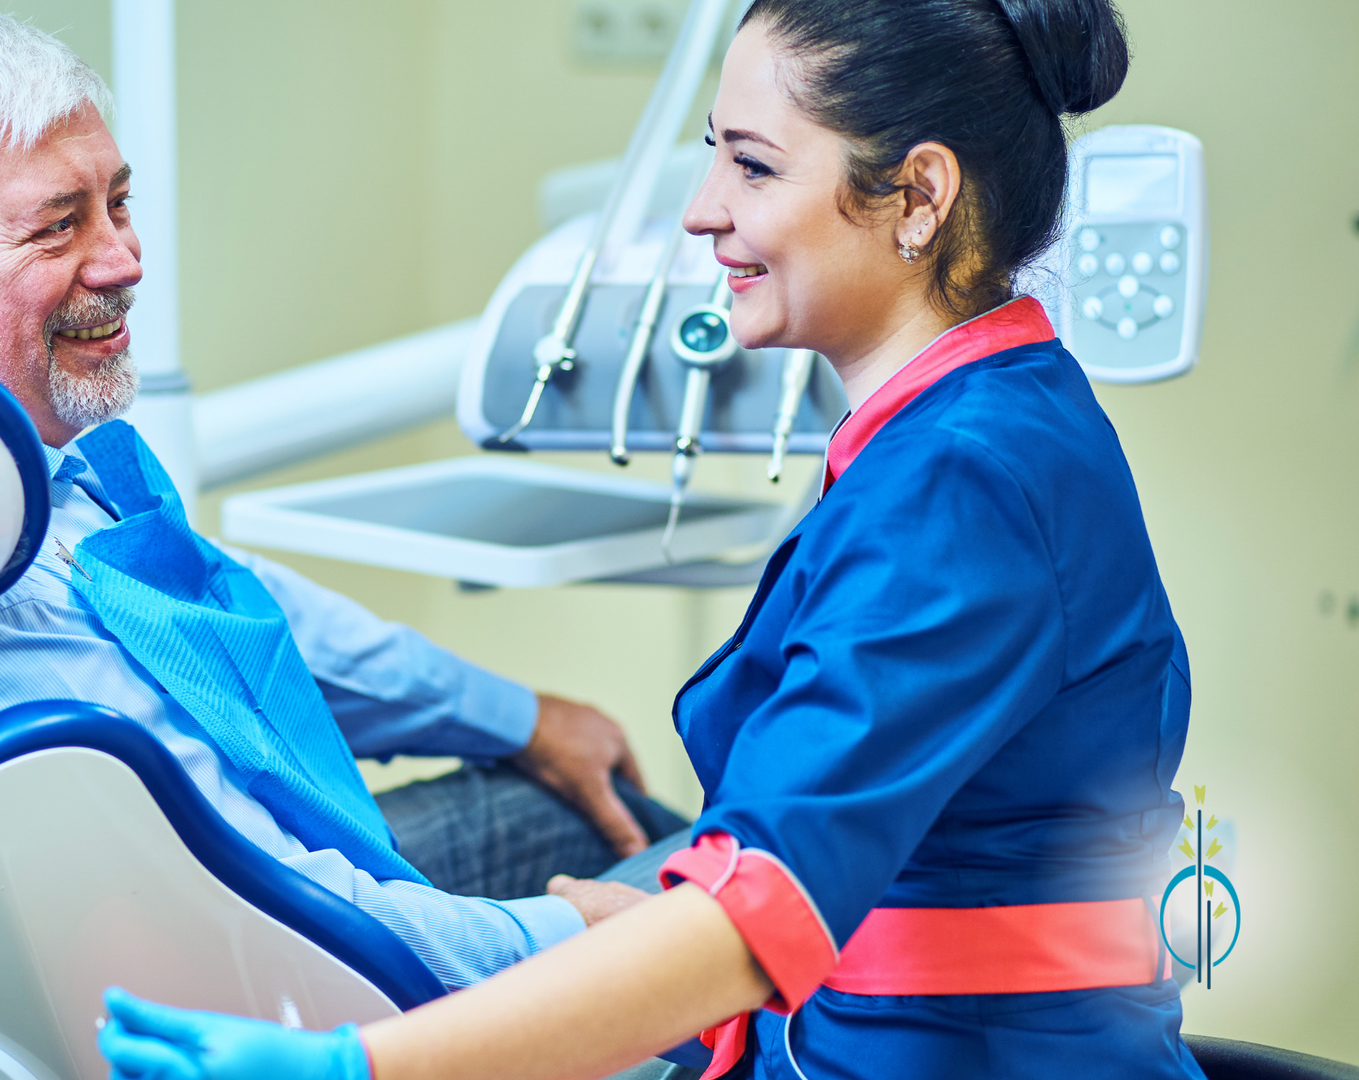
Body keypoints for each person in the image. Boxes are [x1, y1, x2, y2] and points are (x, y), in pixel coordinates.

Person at [95, 0, 1207, 1078]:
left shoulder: (965, 477)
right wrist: (647, 934)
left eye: (754, 167)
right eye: (711, 156)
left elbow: (762, 914)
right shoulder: (967, 425)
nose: (702, 210)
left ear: (918, 195)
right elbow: (917, 870)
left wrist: (362, 1067)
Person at [0, 9, 687, 993]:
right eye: (59, 225)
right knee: (737, 905)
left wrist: (517, 718)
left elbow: (228, 617)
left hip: (240, 932)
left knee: (585, 802)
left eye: (117, 205)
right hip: (286, 991)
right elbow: (282, 932)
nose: (124, 261)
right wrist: (571, 940)